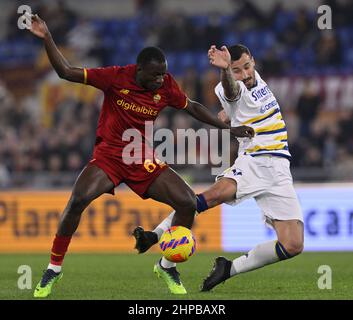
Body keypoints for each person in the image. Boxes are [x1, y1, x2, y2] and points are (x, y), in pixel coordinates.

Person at [27, 15, 254, 298]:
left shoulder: (166, 86)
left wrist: (228, 127)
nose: (160, 80)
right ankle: (53, 269)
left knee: (186, 203)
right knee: (78, 201)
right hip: (109, 156)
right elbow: (65, 71)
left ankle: (167, 265)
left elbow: (193, 107)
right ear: (139, 70)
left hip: (140, 157)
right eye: (155, 75)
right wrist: (47, 36)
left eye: (163, 74)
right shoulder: (115, 76)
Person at [134, 44, 304, 292]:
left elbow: (236, 108)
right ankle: (159, 242)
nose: (244, 74)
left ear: (253, 61)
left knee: (292, 244)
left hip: (280, 170)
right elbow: (232, 92)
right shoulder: (229, 86)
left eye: (246, 67)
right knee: (209, 198)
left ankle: (228, 269)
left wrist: (226, 117)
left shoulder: (256, 81)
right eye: (236, 70)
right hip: (256, 160)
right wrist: (226, 72)